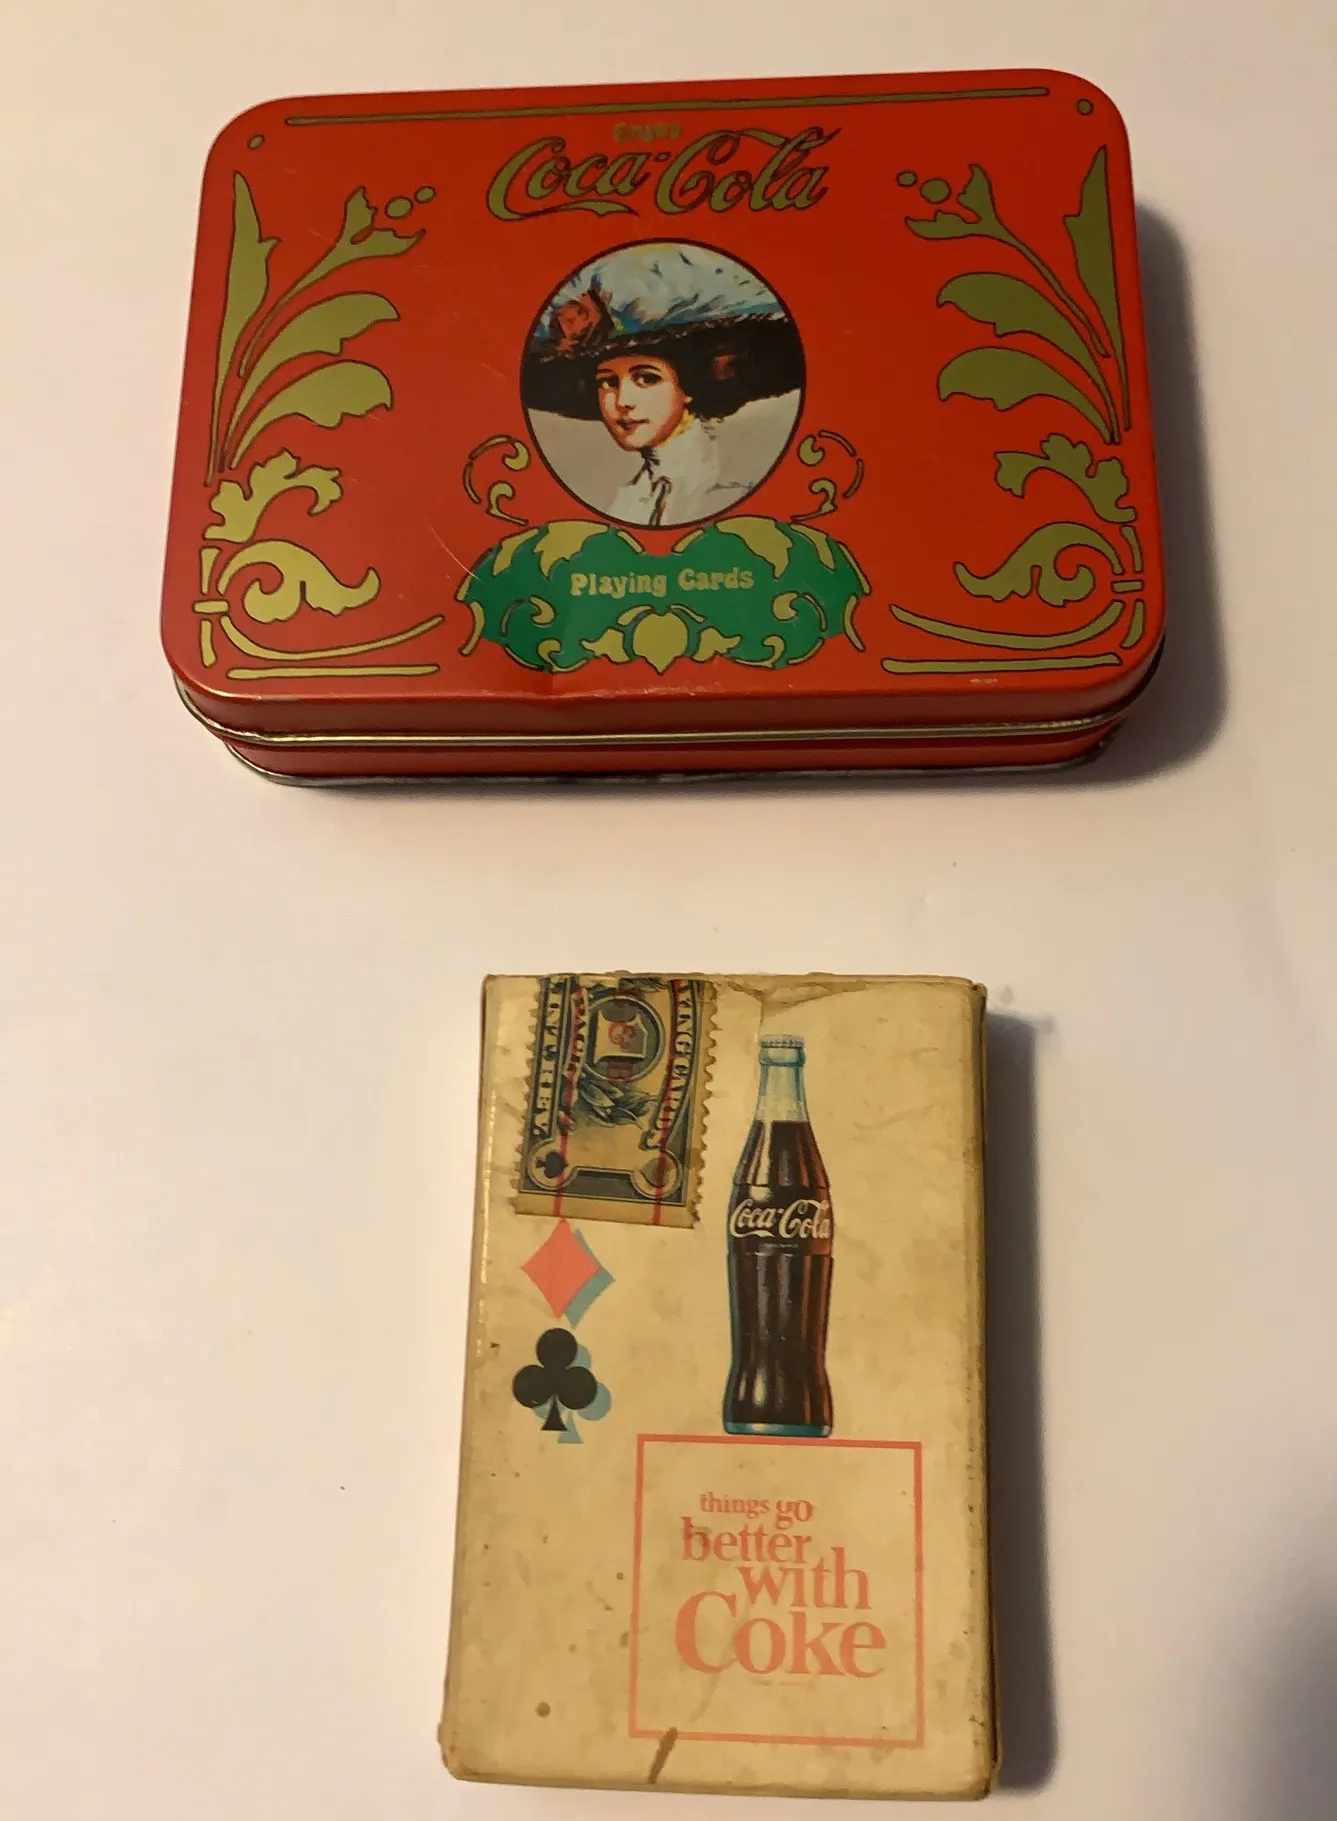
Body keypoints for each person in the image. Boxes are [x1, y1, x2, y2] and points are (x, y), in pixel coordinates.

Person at [522, 243, 804, 529]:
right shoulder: (634, 496)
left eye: (647, 378)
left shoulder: (728, 488)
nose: (622, 401)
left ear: (689, 385)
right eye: (608, 382)